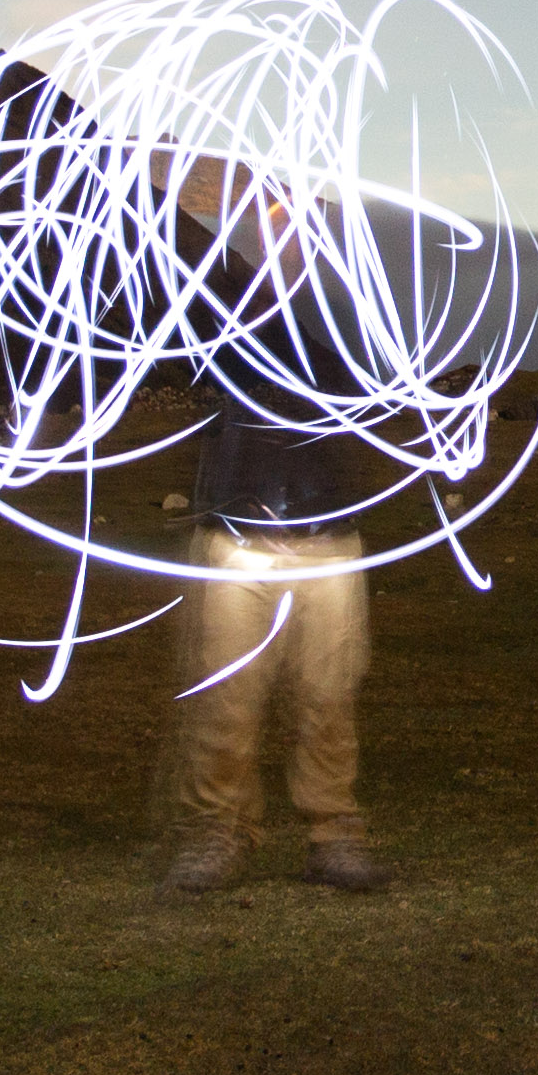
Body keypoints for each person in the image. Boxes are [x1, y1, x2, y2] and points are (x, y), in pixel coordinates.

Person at [151, 153, 393, 894]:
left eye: (299, 223)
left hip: (328, 531)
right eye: (273, 222)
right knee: (223, 700)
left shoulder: (343, 314)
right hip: (236, 530)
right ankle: (217, 833)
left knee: (329, 697)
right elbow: (197, 358)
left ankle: (333, 833)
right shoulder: (221, 303)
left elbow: (372, 384)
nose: (285, 234)